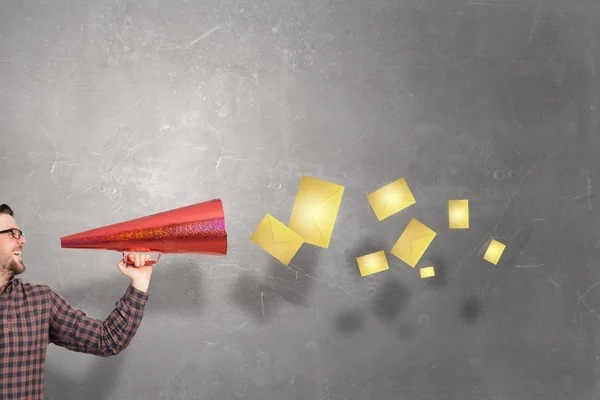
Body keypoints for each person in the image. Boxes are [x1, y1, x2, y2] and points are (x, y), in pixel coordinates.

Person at [0, 203, 154, 399]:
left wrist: (140, 281)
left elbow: (107, 339)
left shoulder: (39, 302)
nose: (23, 240)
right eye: (13, 233)